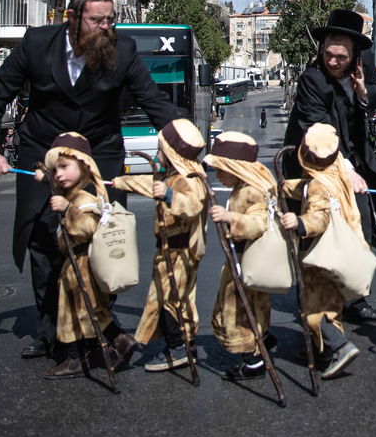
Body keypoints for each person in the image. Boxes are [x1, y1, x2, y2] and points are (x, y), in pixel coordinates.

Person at [0, 0, 184, 361]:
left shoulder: (123, 49)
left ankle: (99, 323)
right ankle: (48, 329)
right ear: (73, 17)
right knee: (44, 239)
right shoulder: (36, 44)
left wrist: (183, 143)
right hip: (43, 152)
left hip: (99, 153)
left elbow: (153, 101)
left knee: (103, 238)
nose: (107, 28)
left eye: (111, 20)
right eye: (97, 21)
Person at [282, 8, 376, 325]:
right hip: (319, 167)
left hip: (358, 163)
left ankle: (356, 299)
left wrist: (363, 91)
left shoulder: (363, 69)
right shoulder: (311, 79)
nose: (333, 61)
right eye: (328, 54)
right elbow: (318, 128)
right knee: (322, 235)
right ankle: (317, 303)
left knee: (363, 231)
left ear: (355, 53)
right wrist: (345, 170)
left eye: (340, 56)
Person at [109, 118, 208, 373]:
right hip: (169, 249)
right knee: (165, 298)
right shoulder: (174, 174)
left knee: (175, 299)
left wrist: (170, 196)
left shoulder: (187, 178)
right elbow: (151, 185)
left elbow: (193, 205)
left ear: (171, 152)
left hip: (181, 251)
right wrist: (119, 183)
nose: (157, 154)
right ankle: (177, 345)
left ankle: (180, 348)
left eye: (160, 149)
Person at [36, 133, 137, 379]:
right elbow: (57, 184)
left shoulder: (84, 198)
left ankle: (80, 357)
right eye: (54, 169)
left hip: (83, 263)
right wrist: (47, 179)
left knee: (81, 310)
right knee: (85, 308)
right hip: (74, 263)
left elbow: (88, 228)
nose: (58, 173)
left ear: (84, 166)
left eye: (64, 167)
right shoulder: (72, 194)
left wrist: (68, 209)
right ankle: (104, 346)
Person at [280, 124, 363, 380]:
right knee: (330, 304)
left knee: (312, 306)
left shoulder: (319, 186)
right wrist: (283, 186)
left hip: (320, 254)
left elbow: (320, 214)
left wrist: (301, 223)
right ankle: (319, 349)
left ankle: (338, 346)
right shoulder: (336, 175)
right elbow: (306, 187)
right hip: (343, 251)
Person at [205, 131, 279, 380]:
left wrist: (230, 218)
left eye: (220, 170)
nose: (217, 176)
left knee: (239, 313)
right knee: (251, 310)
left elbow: (258, 222)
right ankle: (263, 340)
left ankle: (253, 361)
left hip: (245, 262)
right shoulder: (243, 187)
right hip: (242, 261)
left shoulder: (251, 191)